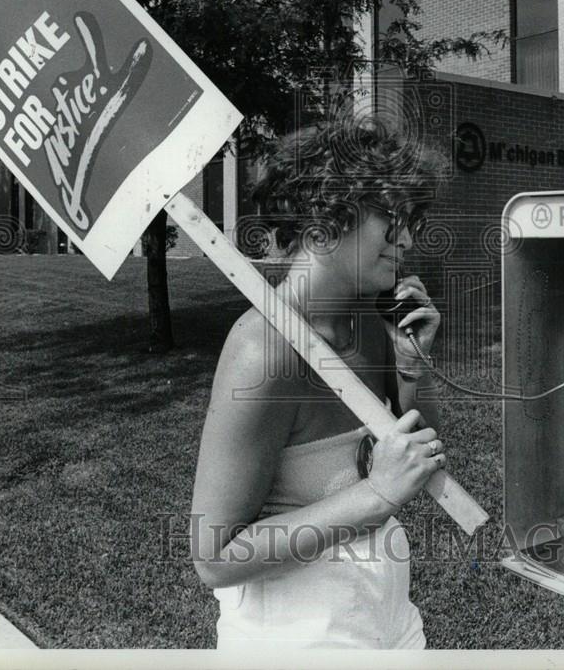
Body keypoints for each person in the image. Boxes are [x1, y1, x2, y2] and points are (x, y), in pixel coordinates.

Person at [190, 115, 449, 649]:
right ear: (324, 222)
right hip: (297, 641)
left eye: (412, 219)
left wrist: (410, 369)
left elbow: (427, 458)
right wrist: (376, 494)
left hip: (388, 625)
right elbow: (214, 557)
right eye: (389, 218)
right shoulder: (263, 351)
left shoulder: (370, 324)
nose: (406, 238)